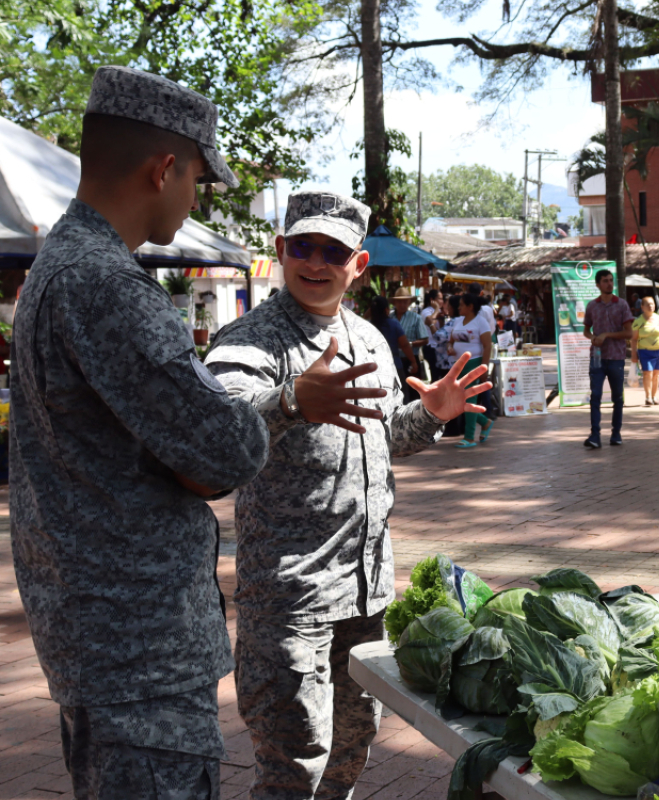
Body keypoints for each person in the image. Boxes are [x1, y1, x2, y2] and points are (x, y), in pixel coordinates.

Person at [11, 66, 272, 799]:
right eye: (197, 180)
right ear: (165, 169)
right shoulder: (106, 286)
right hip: (139, 655)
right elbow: (229, 449)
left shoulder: (59, 267)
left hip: (107, 645)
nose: (194, 200)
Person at [204, 191, 491, 799]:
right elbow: (218, 431)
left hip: (365, 596)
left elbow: (384, 439)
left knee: (347, 757)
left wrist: (431, 414)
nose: (316, 262)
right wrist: (288, 400)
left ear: (357, 265)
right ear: (282, 252)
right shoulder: (251, 341)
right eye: (303, 247)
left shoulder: (368, 340)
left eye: (333, 250)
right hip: (291, 600)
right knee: (292, 769)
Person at [582, 270, 633, 448]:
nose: (609, 284)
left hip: (616, 357)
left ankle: (616, 433)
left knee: (617, 397)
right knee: (595, 395)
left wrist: (606, 335)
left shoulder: (622, 305)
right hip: (597, 357)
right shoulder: (592, 306)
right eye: (605, 281)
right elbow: (586, 330)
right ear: (597, 284)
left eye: (611, 281)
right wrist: (592, 338)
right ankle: (595, 435)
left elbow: (629, 333)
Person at [449, 292, 495, 448]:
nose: (459, 307)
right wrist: (450, 348)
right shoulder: (458, 321)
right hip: (457, 365)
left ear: (471, 307)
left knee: (469, 399)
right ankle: (485, 422)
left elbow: (488, 345)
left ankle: (469, 437)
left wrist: (484, 368)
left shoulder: (481, 322)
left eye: (462, 304)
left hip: (473, 363)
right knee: (459, 399)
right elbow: (451, 340)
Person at [631, 297, 659, 405]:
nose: (650, 306)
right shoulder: (638, 321)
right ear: (642, 307)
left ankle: (654, 396)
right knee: (647, 373)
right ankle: (648, 397)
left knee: (656, 374)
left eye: (652, 304)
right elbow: (634, 339)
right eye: (648, 304)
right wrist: (633, 354)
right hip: (645, 351)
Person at [370, 295, 417, 395]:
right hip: (393, 364)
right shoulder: (393, 324)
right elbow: (404, 344)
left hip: (374, 365)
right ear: (387, 310)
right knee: (400, 395)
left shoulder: (368, 326)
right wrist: (413, 361)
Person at [391, 285, 431, 380]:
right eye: (399, 302)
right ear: (395, 303)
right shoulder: (390, 318)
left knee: (413, 389)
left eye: (405, 302)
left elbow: (425, 340)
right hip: (394, 359)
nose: (402, 304)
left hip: (411, 359)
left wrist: (408, 344)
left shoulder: (416, 318)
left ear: (409, 303)